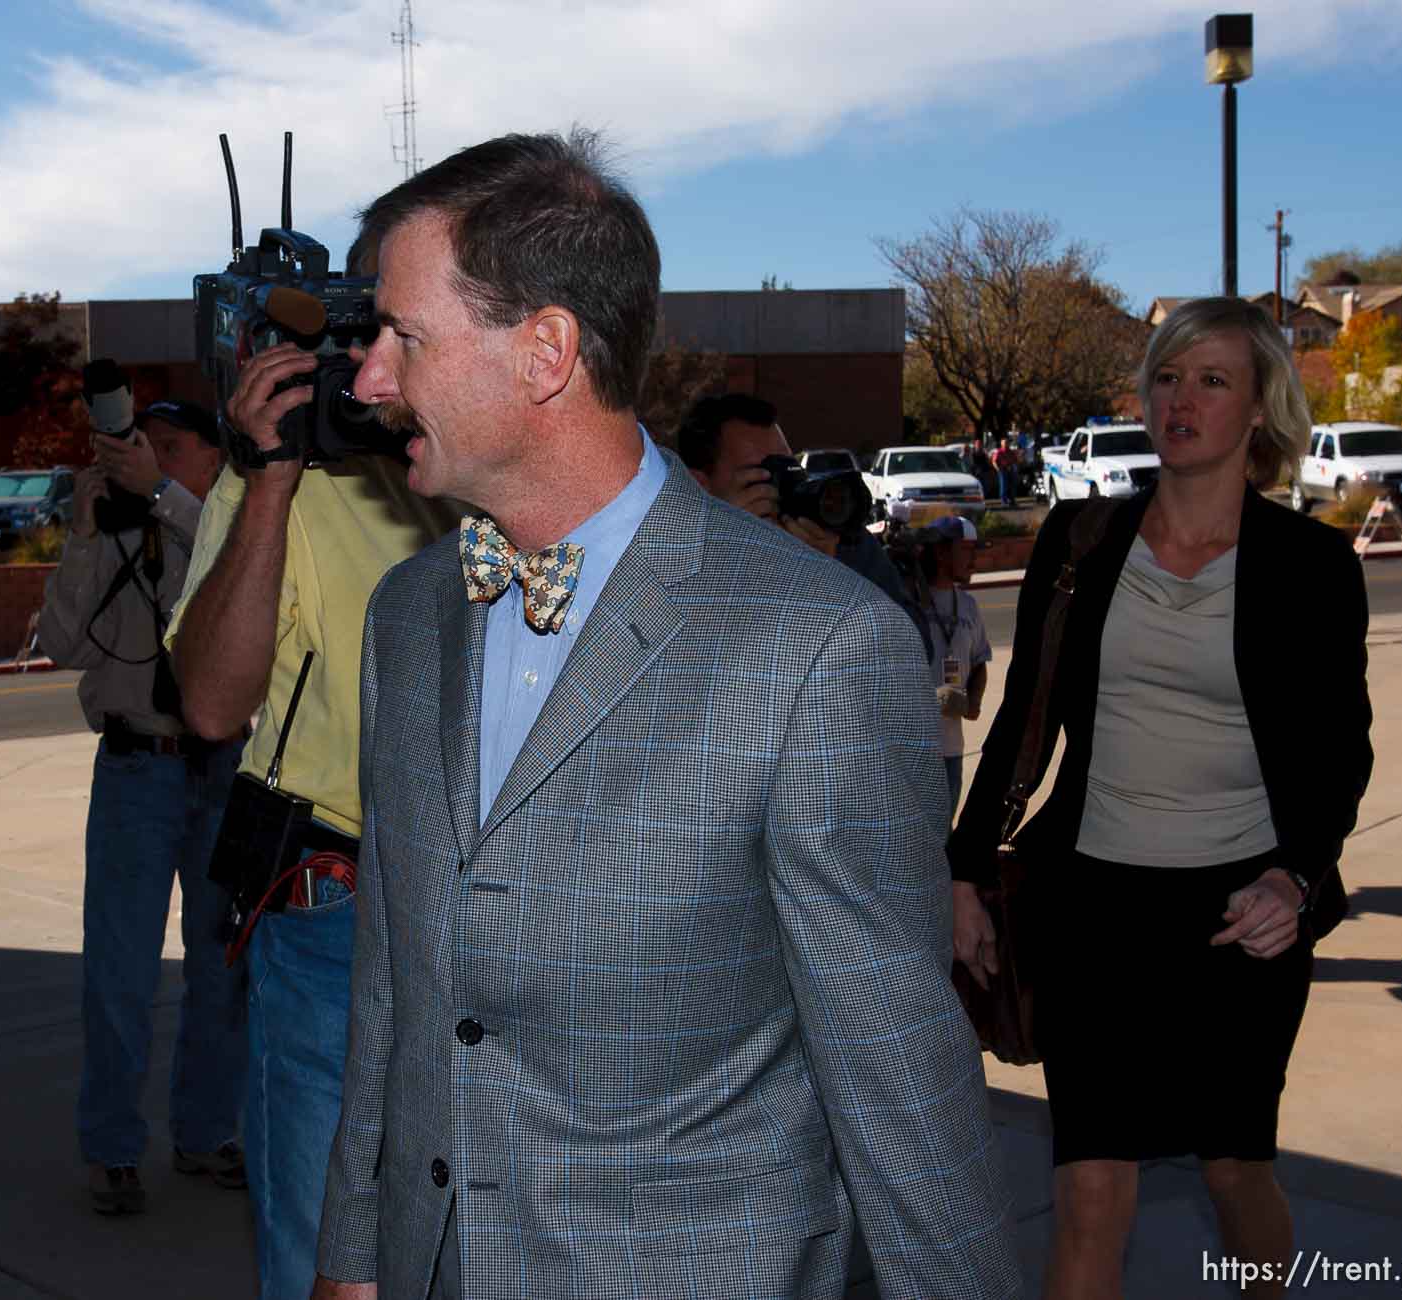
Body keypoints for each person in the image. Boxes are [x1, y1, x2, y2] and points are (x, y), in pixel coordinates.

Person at [315, 130, 1021, 1300]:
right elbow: (393, 981)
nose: (368, 379)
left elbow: (895, 1069)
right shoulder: (410, 613)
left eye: (405, 337)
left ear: (544, 352)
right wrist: (355, 1250)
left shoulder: (815, 646)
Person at [950, 296, 1373, 1300]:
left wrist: (1296, 875)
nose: (1181, 401)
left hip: (1240, 915)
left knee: (1234, 1171)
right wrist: (963, 866)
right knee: (1091, 1192)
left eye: (1213, 380)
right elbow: (1024, 722)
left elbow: (1337, 751)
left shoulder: (1309, 566)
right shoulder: (1083, 540)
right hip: (1092, 906)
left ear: (1262, 408)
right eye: (1168, 378)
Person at [164, 244, 455, 1295]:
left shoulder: (482, 469)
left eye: (381, 342)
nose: (360, 380)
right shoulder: (264, 489)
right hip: (339, 916)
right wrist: (272, 480)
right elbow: (209, 704)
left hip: (507, 909)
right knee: (323, 1257)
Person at [34, 398, 247, 1215]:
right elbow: (62, 645)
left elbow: (231, 572)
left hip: (224, 767)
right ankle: (114, 1149)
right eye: (136, 448)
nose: (145, 459)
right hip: (135, 765)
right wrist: (87, 533)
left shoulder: (231, 527)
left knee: (220, 971)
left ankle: (204, 1133)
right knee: (118, 971)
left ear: (212, 461)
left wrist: (164, 497)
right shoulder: (116, 528)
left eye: (167, 447)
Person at [675, 392, 919, 625]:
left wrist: (831, 576)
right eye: (764, 474)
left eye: (789, 467)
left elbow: (914, 644)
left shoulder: (839, 538)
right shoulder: (676, 557)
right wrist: (731, 550)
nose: (783, 485)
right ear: (700, 487)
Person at [921, 515, 992, 815]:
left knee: (945, 835)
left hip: (952, 748)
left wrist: (973, 701)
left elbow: (980, 661)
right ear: (940, 553)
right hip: (916, 749)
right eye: (966, 550)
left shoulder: (968, 605)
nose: (974, 559)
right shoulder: (910, 601)